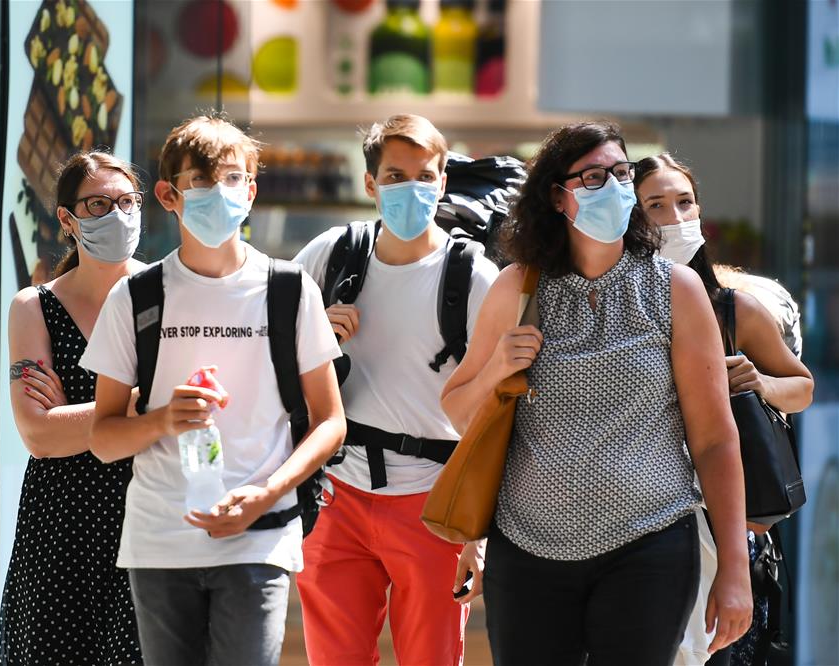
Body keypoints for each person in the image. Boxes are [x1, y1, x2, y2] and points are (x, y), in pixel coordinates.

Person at [441, 121, 754, 666]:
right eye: (592, 177)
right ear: (559, 198)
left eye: (621, 173)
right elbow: (456, 411)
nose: (612, 185)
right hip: (527, 547)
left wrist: (734, 568)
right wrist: (495, 367)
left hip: (650, 543)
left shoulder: (675, 289)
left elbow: (714, 441)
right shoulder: (518, 285)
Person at [79, 114, 345, 666]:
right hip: (159, 540)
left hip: (259, 536)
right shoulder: (135, 296)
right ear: (168, 195)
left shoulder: (290, 290)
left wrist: (267, 494)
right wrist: (161, 420)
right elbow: (104, 439)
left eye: (229, 179)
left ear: (250, 191)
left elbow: (330, 422)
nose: (216, 194)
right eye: (199, 182)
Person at [293, 113, 499, 665]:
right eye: (394, 176)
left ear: (444, 182)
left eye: (425, 176)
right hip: (336, 494)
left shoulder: (474, 277)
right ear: (370, 185)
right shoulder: (332, 256)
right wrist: (315, 336)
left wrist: (478, 534)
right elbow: (267, 351)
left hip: (434, 504)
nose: (412, 189)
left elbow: (499, 415)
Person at [635, 152, 814, 666]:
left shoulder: (734, 306)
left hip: (722, 523)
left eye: (685, 202)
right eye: (656, 205)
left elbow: (801, 387)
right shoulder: (615, 306)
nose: (675, 217)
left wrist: (760, 382)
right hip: (633, 515)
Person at [0, 151, 145, 665]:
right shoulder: (33, 307)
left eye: (128, 202)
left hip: (148, 517)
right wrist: (140, 406)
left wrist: (81, 415)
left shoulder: (167, 293)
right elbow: (39, 436)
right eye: (100, 204)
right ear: (67, 218)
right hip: (61, 528)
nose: (118, 215)